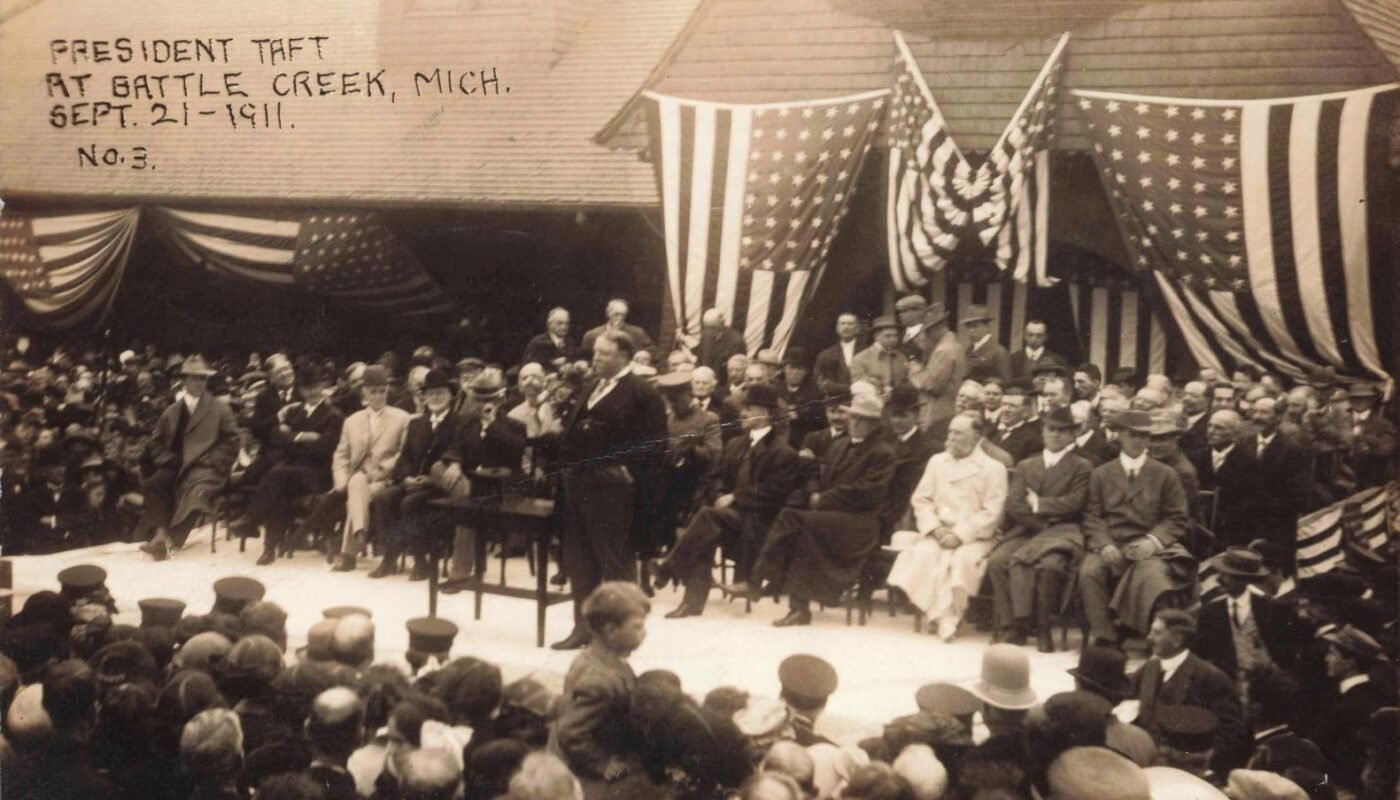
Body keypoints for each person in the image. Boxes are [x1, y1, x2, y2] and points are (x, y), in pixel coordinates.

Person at [732, 394, 895, 627]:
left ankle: (757, 582)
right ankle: (794, 606)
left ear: (874, 424)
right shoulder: (839, 445)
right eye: (854, 417)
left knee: (794, 519)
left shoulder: (882, 453)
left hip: (860, 523)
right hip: (829, 516)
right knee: (795, 520)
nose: (856, 423)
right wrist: (812, 492)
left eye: (864, 420)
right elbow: (817, 476)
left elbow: (866, 492)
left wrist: (823, 498)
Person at [552, 331, 668, 650]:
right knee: (579, 560)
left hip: (614, 493)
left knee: (615, 564)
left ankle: (622, 633)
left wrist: (627, 473)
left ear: (623, 356)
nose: (596, 358)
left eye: (604, 354)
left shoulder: (642, 393)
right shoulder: (591, 386)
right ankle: (583, 628)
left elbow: (656, 444)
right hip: (579, 485)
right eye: (596, 353)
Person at [648, 383, 798, 617]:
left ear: (766, 413)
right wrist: (719, 494)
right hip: (729, 518)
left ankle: (667, 570)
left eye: (749, 409)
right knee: (705, 527)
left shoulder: (783, 451)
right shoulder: (735, 444)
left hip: (758, 521)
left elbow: (775, 492)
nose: (743, 413)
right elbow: (715, 476)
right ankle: (691, 603)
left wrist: (735, 497)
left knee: (707, 518)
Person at [886, 413, 1007, 641]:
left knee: (961, 560)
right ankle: (938, 613)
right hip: (939, 531)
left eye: (958, 433)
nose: (950, 437)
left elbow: (993, 512)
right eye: (950, 432)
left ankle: (949, 616)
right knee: (925, 553)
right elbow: (921, 500)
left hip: (976, 536)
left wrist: (960, 535)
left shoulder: (993, 468)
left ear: (976, 437)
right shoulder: (937, 461)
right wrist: (936, 528)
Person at [1078, 409, 1191, 646]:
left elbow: (1176, 517)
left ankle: (1149, 637)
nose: (1139, 441)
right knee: (1089, 572)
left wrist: (1152, 541)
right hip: (1111, 543)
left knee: (1154, 576)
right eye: (1133, 435)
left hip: (1148, 545)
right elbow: (1091, 516)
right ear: (1119, 435)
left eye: (1145, 436)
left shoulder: (1165, 474)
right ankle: (1105, 638)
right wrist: (1104, 544)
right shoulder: (1101, 474)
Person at [986, 405, 1092, 651]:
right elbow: (1015, 504)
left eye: (1063, 431)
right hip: (1029, 530)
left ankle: (1043, 628)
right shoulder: (1026, 465)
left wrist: (1039, 502)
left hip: (1062, 533)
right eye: (1051, 429)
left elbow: (1076, 502)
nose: (1056, 435)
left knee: (1050, 566)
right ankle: (1012, 626)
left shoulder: (1081, 465)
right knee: (998, 560)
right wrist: (1041, 518)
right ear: (1043, 432)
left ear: (1072, 435)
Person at [306, 366, 412, 572]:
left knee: (359, 489)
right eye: (373, 391)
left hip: (385, 480)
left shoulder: (402, 418)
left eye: (383, 391)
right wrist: (340, 482)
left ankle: (350, 552)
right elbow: (341, 455)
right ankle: (360, 532)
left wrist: (382, 470)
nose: (379, 396)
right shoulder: (352, 421)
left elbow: (403, 453)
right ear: (364, 392)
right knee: (355, 483)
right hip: (359, 479)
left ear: (388, 390)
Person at [240, 364, 344, 566]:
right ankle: (269, 549)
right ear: (301, 390)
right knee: (278, 489)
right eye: (306, 388)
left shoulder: (333, 415)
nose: (312, 392)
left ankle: (251, 521)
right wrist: (305, 437)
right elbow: (276, 438)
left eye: (315, 386)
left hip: (318, 474)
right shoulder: (294, 412)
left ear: (322, 386)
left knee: (277, 475)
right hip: (293, 473)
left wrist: (293, 437)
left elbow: (324, 449)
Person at [137, 356, 240, 561]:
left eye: (202, 379)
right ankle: (160, 534)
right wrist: (167, 459)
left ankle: (172, 543)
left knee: (196, 493)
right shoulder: (172, 412)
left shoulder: (219, 408)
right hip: (177, 465)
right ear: (185, 381)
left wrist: (212, 460)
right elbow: (154, 443)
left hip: (207, 468)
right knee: (155, 483)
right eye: (194, 379)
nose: (199, 383)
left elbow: (232, 440)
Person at [370, 368, 468, 580]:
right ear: (423, 397)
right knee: (383, 498)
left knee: (410, 503)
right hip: (413, 482)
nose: (435, 398)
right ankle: (389, 557)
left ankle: (422, 562)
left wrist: (431, 479)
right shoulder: (416, 424)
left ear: (450, 395)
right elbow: (403, 457)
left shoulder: (459, 423)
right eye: (430, 394)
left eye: (440, 393)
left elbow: (459, 454)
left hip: (438, 486)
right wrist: (405, 477)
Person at [549, 582, 648, 782]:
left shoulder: (596, 656)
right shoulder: (599, 681)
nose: (644, 633)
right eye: (637, 627)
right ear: (611, 631)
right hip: (589, 764)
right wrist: (602, 763)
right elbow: (572, 732)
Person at [1131, 609, 1249, 774]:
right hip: (1147, 765)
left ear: (1177, 639)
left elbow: (1233, 729)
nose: (1148, 638)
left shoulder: (1210, 677)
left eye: (1157, 633)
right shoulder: (1149, 668)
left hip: (1188, 771)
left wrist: (1206, 759)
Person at [1193, 548, 1302, 691]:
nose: (1219, 579)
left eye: (1227, 575)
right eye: (1220, 572)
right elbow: (1202, 656)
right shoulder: (1209, 613)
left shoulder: (1276, 610)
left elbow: (1289, 658)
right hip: (1226, 694)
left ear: (1244, 579)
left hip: (1269, 693)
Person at [1310, 625, 1390, 791]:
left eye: (1332, 653)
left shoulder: (1349, 706)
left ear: (1349, 661)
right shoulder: (1375, 694)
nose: (1326, 659)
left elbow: (1330, 758)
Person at [1245, 397, 1309, 549]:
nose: (1257, 417)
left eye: (1264, 413)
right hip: (1244, 522)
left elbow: (1295, 494)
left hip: (1274, 525)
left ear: (1278, 417)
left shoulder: (1292, 449)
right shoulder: (1244, 443)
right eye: (1255, 411)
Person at [1188, 409, 1258, 547]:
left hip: (1228, 531)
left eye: (1219, 428)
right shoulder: (1195, 457)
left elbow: (1248, 503)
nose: (1211, 431)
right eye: (1210, 426)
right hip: (1198, 527)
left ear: (1235, 433)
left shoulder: (1249, 462)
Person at [881, 386, 937, 540]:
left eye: (903, 415)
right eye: (894, 415)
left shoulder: (928, 448)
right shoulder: (885, 441)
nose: (897, 421)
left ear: (916, 415)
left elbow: (912, 488)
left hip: (904, 511)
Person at [908, 303, 966, 434]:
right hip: (947, 410)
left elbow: (933, 386)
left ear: (939, 328)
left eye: (928, 330)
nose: (927, 335)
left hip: (938, 413)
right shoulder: (954, 345)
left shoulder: (943, 350)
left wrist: (914, 368)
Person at [1346, 383, 1395, 489]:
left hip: (1370, 478)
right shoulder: (1341, 419)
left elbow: (1386, 449)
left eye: (1363, 398)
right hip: (1341, 477)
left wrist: (1370, 445)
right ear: (1349, 400)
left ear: (1371, 401)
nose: (1358, 402)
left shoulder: (1383, 424)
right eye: (1354, 398)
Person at [578, 299, 656, 362]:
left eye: (623, 315)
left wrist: (645, 354)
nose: (620, 318)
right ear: (608, 314)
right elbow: (583, 361)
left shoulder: (638, 333)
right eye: (616, 314)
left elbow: (655, 354)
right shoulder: (592, 335)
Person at [987, 382, 1042, 463]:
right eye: (1004, 404)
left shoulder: (1033, 440)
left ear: (1024, 410)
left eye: (1012, 406)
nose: (1006, 410)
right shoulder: (990, 433)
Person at [849, 317, 908, 392]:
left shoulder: (902, 357)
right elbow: (857, 387)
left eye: (895, 336)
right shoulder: (860, 358)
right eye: (888, 336)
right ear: (876, 337)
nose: (893, 339)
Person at [814, 313, 862, 394]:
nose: (846, 327)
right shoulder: (825, 355)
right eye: (842, 323)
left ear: (857, 328)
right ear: (837, 328)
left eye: (850, 324)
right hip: (835, 401)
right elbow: (820, 381)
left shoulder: (866, 352)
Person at [693, 309, 748, 380]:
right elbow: (700, 359)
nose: (709, 331)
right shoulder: (705, 335)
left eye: (713, 327)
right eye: (707, 327)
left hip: (723, 383)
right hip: (704, 379)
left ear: (722, 323)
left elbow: (738, 370)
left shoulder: (736, 342)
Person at [963, 305, 1009, 383]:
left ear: (987, 327)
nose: (971, 330)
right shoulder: (969, 349)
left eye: (975, 326)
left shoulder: (999, 351)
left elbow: (1006, 381)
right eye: (969, 327)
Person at [524, 307, 577, 372]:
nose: (564, 327)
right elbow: (529, 366)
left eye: (567, 323)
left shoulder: (570, 342)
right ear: (549, 324)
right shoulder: (537, 343)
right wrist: (552, 364)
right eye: (559, 323)